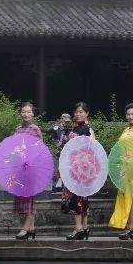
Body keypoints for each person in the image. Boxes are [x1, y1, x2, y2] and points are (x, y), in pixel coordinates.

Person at [109, 103, 133, 240]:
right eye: (128, 114)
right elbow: (122, 148)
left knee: (132, 198)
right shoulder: (126, 130)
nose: (131, 116)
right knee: (128, 198)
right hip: (125, 167)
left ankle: (131, 227)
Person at [62, 102, 96, 240]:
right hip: (74, 168)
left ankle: (78, 228)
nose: (78, 114)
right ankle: (84, 227)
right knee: (81, 197)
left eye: (82, 111)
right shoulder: (75, 128)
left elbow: (92, 148)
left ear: (87, 113)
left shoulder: (87, 129)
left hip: (82, 169)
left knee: (78, 198)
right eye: (76, 112)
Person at [12, 102, 43, 240]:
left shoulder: (35, 129)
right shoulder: (18, 129)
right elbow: (13, 146)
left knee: (29, 198)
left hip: (31, 166)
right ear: (20, 114)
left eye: (28, 112)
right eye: (23, 111)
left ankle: (25, 228)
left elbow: (38, 148)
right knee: (22, 197)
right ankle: (31, 228)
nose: (26, 114)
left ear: (33, 113)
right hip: (20, 166)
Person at [50, 112, 73, 193]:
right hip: (57, 151)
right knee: (55, 169)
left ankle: (64, 186)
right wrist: (56, 143)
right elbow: (51, 137)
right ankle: (53, 186)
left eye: (68, 121)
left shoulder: (70, 129)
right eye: (65, 120)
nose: (66, 122)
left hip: (66, 151)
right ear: (61, 119)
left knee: (65, 169)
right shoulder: (56, 128)